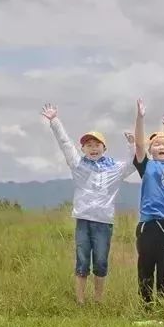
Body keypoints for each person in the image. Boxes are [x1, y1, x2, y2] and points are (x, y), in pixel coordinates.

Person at [40, 103, 136, 305]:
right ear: (83, 148)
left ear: (104, 147)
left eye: (97, 145)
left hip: (103, 222)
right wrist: (54, 121)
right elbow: (65, 144)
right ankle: (81, 301)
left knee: (100, 262)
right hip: (83, 220)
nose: (93, 149)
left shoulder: (114, 169)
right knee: (82, 261)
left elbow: (131, 164)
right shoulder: (78, 165)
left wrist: (132, 145)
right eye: (88, 145)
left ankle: (99, 301)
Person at [132, 100, 164, 306]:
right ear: (151, 149)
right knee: (145, 267)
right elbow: (138, 144)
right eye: (157, 144)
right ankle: (146, 307)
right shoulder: (146, 166)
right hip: (147, 225)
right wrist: (140, 118)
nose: (162, 146)